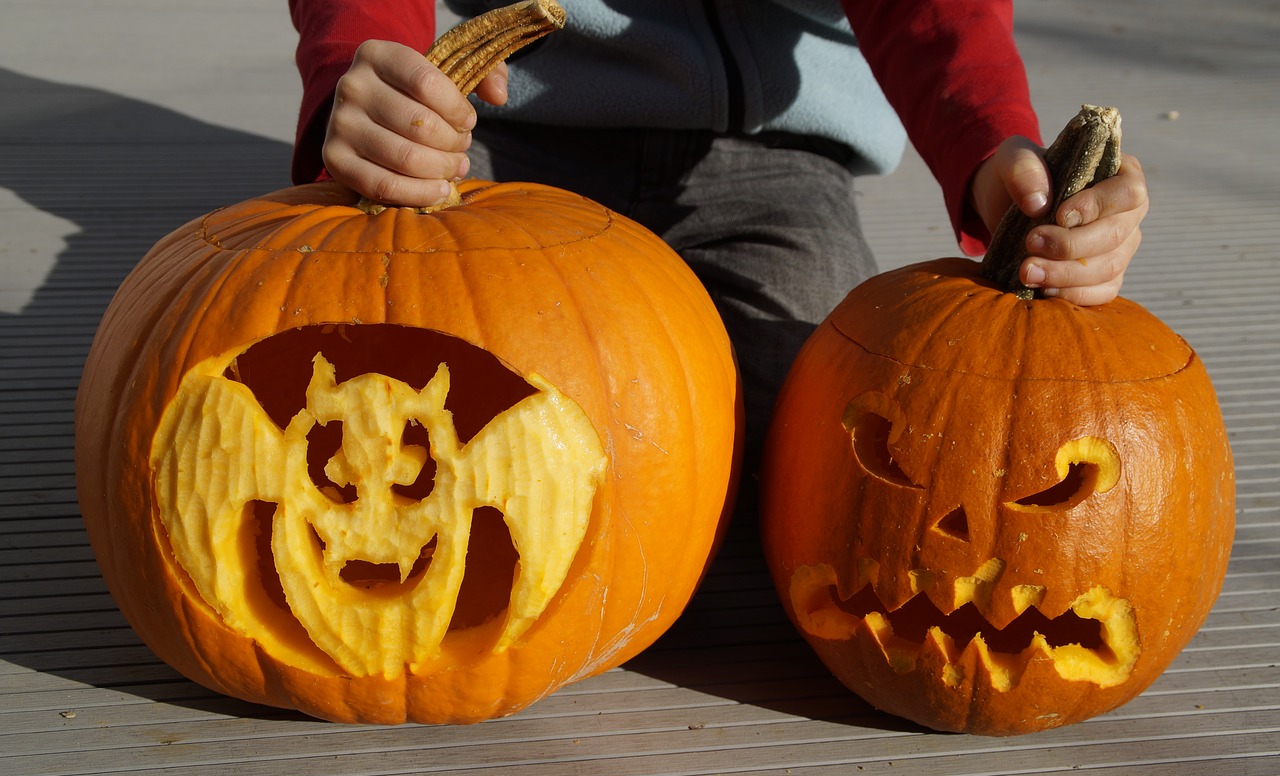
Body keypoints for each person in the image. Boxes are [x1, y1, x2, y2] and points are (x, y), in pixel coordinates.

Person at [288, 0, 1149, 469]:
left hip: (771, 158)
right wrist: (363, 82)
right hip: (513, 132)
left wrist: (993, 142)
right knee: (439, 413)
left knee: (848, 451)